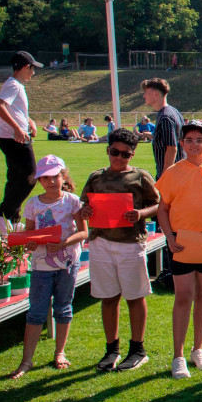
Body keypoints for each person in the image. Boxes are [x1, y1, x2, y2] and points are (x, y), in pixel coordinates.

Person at [80, 128, 160, 372]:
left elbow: (158, 204)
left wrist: (141, 213)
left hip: (130, 244)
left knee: (135, 296)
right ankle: (111, 349)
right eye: (114, 152)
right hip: (101, 243)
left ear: (132, 155)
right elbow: (84, 206)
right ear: (107, 150)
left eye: (125, 154)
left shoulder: (140, 177)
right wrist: (85, 212)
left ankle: (137, 350)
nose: (119, 157)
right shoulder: (96, 177)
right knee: (108, 297)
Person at [157, 120, 202, 379]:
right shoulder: (173, 172)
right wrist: (169, 236)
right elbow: (162, 209)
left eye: (200, 140)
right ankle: (178, 356)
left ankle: (198, 349)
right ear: (182, 143)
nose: (194, 144)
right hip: (181, 239)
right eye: (189, 140)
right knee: (183, 295)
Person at [8, 155, 87, 378]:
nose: (51, 181)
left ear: (64, 177)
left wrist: (64, 243)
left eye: (55, 176)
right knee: (36, 313)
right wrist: (30, 243)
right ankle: (26, 361)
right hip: (41, 266)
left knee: (64, 308)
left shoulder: (72, 201)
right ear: (39, 180)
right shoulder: (33, 204)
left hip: (68, 264)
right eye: (45, 178)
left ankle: (60, 352)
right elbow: (30, 235)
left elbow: (84, 233)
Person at [0, 51, 42, 235]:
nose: (33, 73)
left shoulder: (15, 85)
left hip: (11, 138)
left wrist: (29, 121)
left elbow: (15, 110)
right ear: (26, 67)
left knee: (15, 178)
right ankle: (1, 214)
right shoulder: (13, 85)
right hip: (15, 139)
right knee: (30, 177)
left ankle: (12, 220)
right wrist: (17, 129)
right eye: (33, 69)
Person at [142, 78, 184, 180]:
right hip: (180, 173)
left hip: (172, 177)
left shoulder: (165, 116)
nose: (144, 96)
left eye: (146, 92)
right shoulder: (173, 111)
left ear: (156, 94)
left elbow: (172, 148)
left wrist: (165, 178)